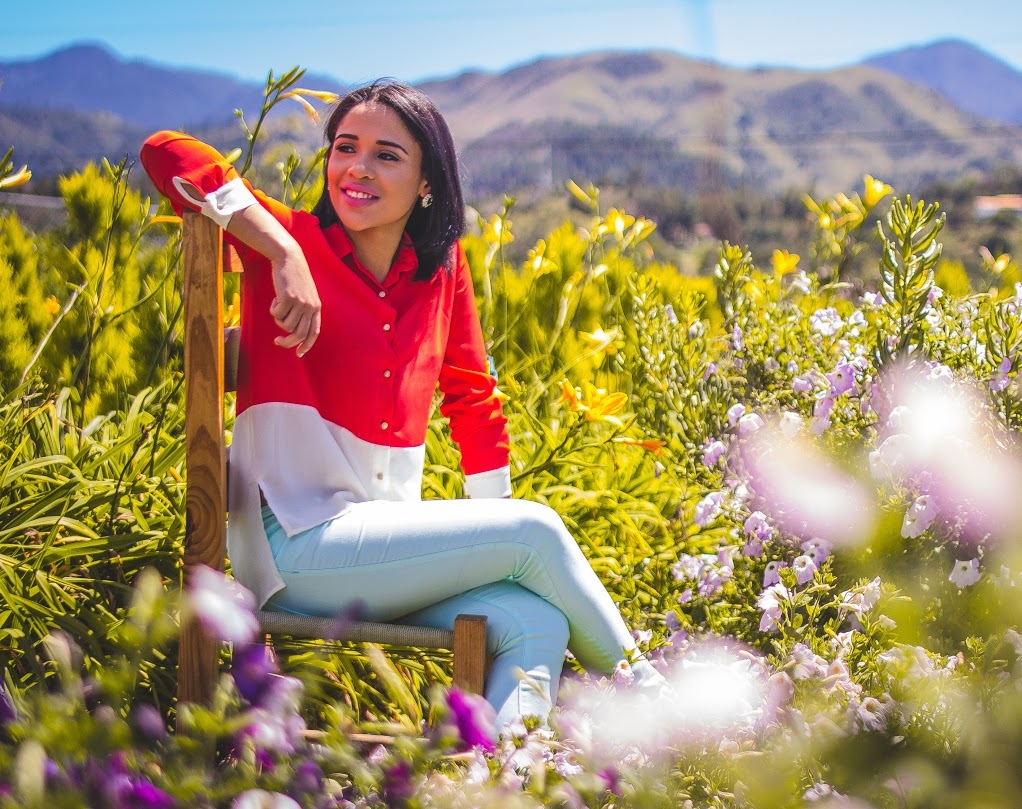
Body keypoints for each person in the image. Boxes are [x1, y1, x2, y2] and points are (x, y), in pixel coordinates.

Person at [141, 80, 666, 731]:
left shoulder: (441, 272)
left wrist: (484, 538)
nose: (357, 167)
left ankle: (498, 784)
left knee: (538, 621)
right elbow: (164, 151)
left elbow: (474, 397)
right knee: (533, 531)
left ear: (426, 182)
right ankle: (656, 701)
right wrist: (283, 251)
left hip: (386, 547)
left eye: (386, 155)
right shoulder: (286, 237)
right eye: (344, 147)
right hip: (295, 546)